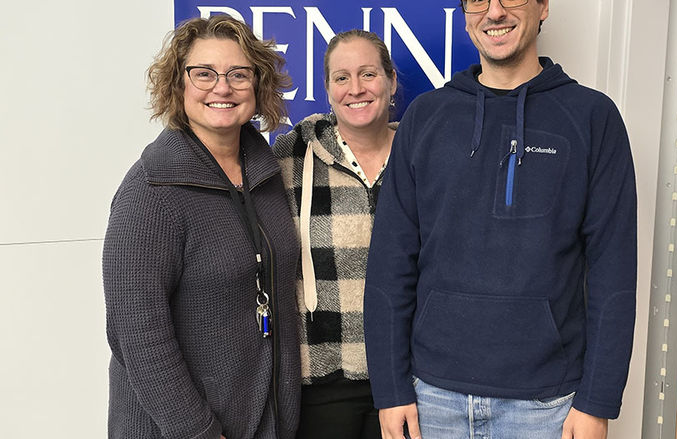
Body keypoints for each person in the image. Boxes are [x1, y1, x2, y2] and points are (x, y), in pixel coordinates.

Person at [363, 1, 637, 439]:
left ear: (543, 6)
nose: (494, 12)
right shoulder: (426, 117)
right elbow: (389, 265)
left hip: (547, 406)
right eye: (478, 0)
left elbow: (614, 274)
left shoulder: (592, 118)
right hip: (432, 398)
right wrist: (390, 389)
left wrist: (597, 402)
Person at [103, 15, 300, 439]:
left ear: (260, 84)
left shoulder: (266, 176)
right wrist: (198, 432)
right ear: (178, 84)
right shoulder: (151, 191)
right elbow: (137, 335)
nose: (222, 87)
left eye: (238, 74)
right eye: (204, 74)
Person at [272, 30, 398, 439]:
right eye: (341, 77)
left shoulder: (420, 155)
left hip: (405, 378)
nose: (356, 88)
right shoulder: (290, 158)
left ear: (391, 81)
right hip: (323, 380)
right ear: (327, 88)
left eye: (368, 74)